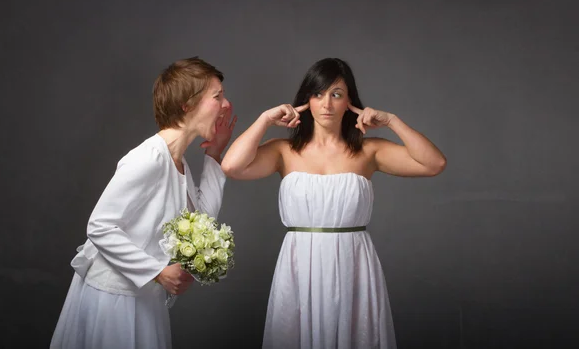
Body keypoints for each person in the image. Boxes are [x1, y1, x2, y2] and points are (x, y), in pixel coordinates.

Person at [221, 57, 446, 349]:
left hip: (353, 265)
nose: (326, 104)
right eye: (318, 94)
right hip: (298, 265)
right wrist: (265, 120)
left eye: (336, 94)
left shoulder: (369, 150)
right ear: (307, 101)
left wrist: (391, 121)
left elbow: (434, 163)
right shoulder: (284, 151)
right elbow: (232, 166)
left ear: (349, 102)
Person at [50, 57, 237, 349]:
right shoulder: (150, 157)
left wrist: (214, 153)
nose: (226, 105)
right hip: (113, 302)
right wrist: (158, 272)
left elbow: (203, 221)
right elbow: (99, 226)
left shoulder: (179, 163)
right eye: (218, 96)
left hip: (144, 299)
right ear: (187, 105)